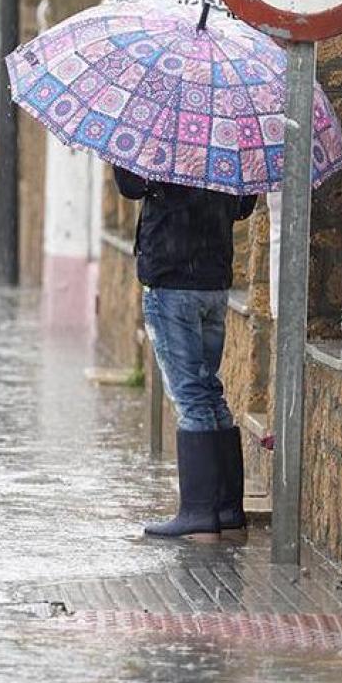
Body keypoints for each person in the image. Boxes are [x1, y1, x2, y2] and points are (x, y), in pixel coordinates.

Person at [115, 167, 258, 541]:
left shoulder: (164, 138)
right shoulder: (225, 142)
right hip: (212, 282)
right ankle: (226, 510)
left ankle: (197, 513)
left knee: (192, 397)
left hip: (172, 280)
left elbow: (130, 186)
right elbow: (244, 206)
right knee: (210, 394)